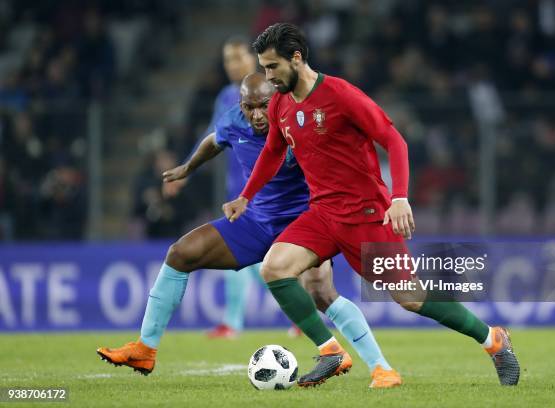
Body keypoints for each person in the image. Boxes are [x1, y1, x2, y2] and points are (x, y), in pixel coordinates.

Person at [223, 23, 520, 387]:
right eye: (264, 68)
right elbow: (271, 152)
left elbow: (395, 141)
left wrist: (398, 198)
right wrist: (246, 195)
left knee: (409, 296)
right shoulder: (282, 103)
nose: (267, 76)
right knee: (275, 268)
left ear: (296, 59)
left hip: (366, 216)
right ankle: (331, 351)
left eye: (272, 67)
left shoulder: (341, 95)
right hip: (322, 214)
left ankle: (493, 340)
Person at [97, 73, 402, 389]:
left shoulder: (296, 123)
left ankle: (380, 367)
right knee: (180, 253)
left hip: (304, 223)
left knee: (320, 291)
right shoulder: (233, 120)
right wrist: (189, 167)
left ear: (277, 101)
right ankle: (145, 349)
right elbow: (214, 140)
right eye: (248, 107)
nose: (256, 115)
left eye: (263, 106)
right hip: (255, 221)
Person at [171, 36, 260, 339]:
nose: (232, 66)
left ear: (253, 58)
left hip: (264, 192)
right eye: (227, 60)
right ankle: (234, 322)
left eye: (238, 58)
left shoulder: (269, 91)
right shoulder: (225, 97)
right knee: (245, 261)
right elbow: (211, 137)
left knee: (263, 262)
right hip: (235, 192)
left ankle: (304, 311)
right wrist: (187, 170)